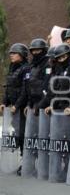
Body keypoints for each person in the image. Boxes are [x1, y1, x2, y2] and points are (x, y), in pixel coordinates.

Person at [0, 43, 30, 175]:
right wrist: (4, 102)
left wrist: (17, 105)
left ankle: (25, 162)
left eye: (15, 53)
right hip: (12, 108)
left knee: (22, 134)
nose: (11, 55)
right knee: (16, 134)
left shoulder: (26, 69)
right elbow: (8, 86)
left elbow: (25, 90)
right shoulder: (12, 67)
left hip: (21, 107)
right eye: (11, 53)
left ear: (22, 55)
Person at [17, 38, 50, 116]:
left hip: (44, 105)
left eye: (38, 50)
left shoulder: (48, 65)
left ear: (44, 50)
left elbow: (47, 86)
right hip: (33, 104)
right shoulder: (32, 65)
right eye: (33, 50)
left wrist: (40, 105)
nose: (35, 53)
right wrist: (29, 104)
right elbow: (29, 87)